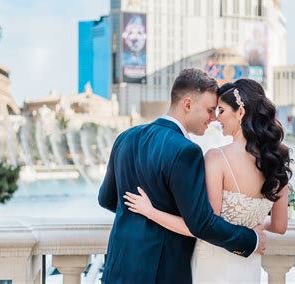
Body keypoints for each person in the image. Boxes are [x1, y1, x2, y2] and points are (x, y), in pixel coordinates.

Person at [98, 69, 267, 283]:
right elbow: (201, 223)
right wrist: (250, 240)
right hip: (162, 271)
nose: (213, 118)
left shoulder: (125, 138)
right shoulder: (186, 151)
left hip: (118, 267)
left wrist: (143, 214)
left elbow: (106, 199)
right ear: (187, 104)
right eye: (209, 110)